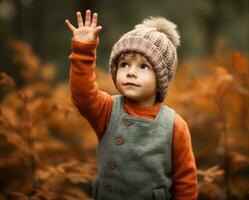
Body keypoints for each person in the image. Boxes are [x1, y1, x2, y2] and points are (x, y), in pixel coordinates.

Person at [65, 9, 197, 200]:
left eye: (143, 66)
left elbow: (186, 182)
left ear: (161, 78)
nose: (131, 72)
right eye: (124, 64)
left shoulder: (175, 126)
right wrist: (83, 50)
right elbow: (82, 95)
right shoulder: (108, 110)